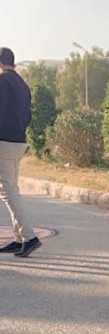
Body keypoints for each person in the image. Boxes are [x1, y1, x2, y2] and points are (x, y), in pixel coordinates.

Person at [0, 47, 41, 258]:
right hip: (19, 141)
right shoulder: (22, 84)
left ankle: (29, 237)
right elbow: (28, 117)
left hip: (4, 141)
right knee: (13, 189)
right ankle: (18, 239)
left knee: (7, 191)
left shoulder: (2, 81)